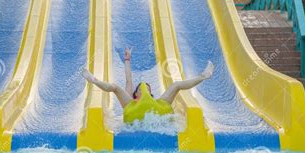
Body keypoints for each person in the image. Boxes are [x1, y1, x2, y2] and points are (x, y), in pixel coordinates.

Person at [82, 48, 214, 123]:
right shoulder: (130, 102)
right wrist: (127, 59)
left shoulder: (159, 103)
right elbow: (129, 80)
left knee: (176, 85)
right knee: (116, 87)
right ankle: (94, 80)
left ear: (151, 94)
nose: (145, 87)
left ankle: (203, 76)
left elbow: (176, 88)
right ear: (136, 94)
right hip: (135, 115)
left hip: (154, 115)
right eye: (141, 87)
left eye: (147, 87)